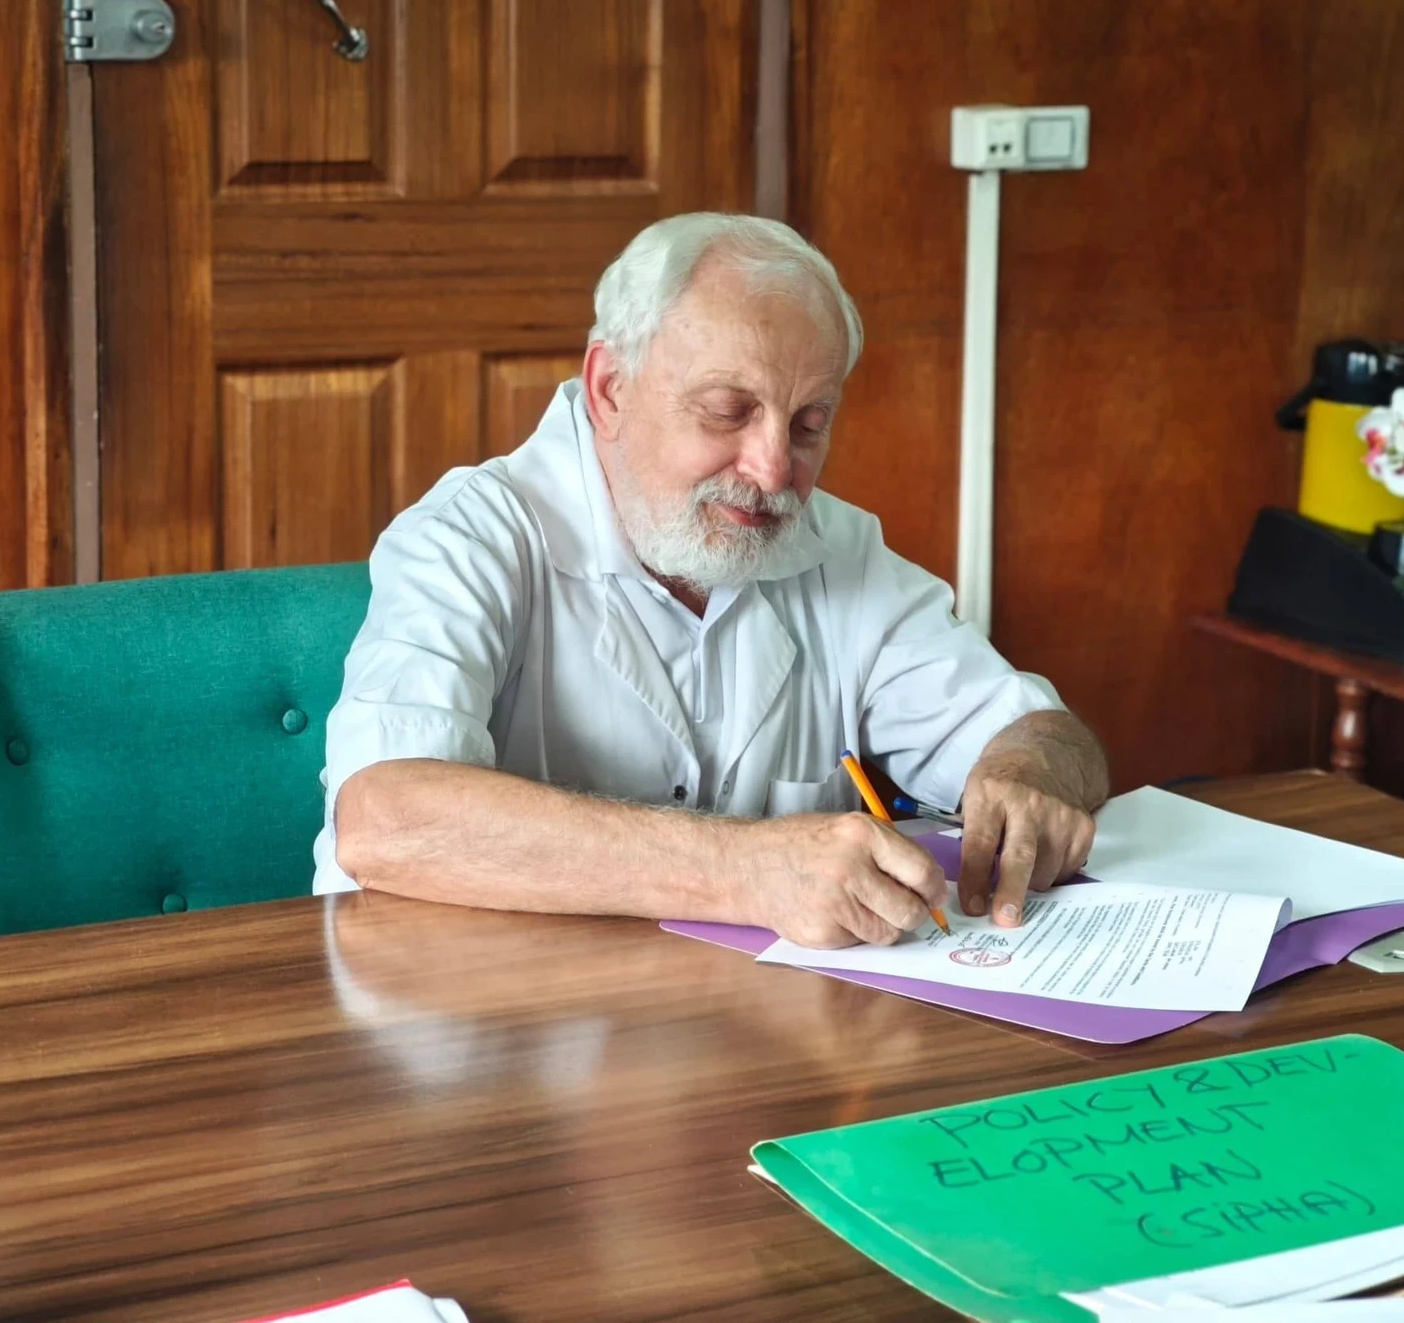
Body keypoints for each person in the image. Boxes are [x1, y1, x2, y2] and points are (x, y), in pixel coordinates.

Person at [318, 213, 1109, 948]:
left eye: (808, 424)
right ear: (610, 390)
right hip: (479, 1034)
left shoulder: (836, 545)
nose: (773, 471)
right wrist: (748, 870)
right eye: (729, 411)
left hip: (754, 1036)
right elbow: (386, 817)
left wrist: (1029, 772)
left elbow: (1041, 732)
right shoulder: (471, 536)